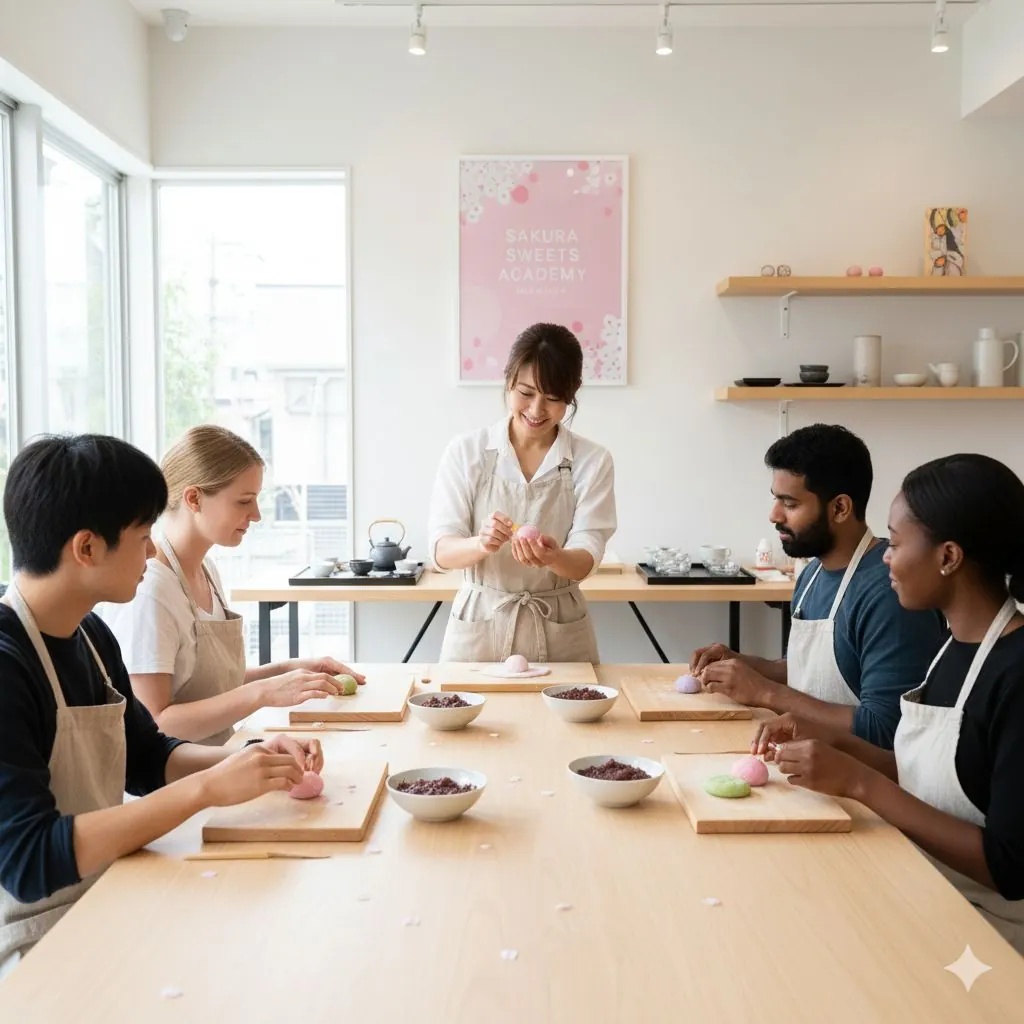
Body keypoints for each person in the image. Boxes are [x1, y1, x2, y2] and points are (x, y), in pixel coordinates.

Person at [0, 435, 320, 976]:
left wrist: (252, 760)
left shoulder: (91, 634)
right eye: (143, 536)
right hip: (38, 943)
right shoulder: (8, 665)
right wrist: (207, 788)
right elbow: (29, 860)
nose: (151, 553)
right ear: (87, 548)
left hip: (110, 895)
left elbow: (147, 758)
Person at [754, 454, 1024, 951]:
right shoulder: (954, 646)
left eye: (896, 544)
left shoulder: (1015, 674)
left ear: (948, 557)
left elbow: (1009, 867)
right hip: (922, 885)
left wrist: (859, 782)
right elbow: (936, 775)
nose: (884, 558)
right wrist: (835, 744)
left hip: (988, 934)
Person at [102, 425, 363, 745]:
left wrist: (287, 670)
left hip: (222, 759)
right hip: (185, 774)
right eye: (244, 501)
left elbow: (210, 687)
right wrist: (264, 693)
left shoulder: (206, 570)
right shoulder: (150, 590)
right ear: (194, 499)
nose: (256, 515)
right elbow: (156, 724)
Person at [691, 424, 945, 748]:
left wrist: (765, 692)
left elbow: (886, 729)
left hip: (857, 773)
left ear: (840, 508)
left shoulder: (889, 593)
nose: (774, 515)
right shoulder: (812, 573)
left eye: (790, 504)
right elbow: (808, 673)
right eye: (775, 499)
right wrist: (742, 665)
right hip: (810, 759)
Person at [428, 323, 616, 664]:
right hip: (479, 628)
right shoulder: (466, 452)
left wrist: (554, 558)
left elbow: (587, 556)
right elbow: (441, 553)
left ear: (572, 393)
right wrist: (481, 544)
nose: (536, 410)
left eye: (553, 398)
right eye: (526, 393)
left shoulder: (592, 460)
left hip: (561, 632)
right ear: (508, 381)